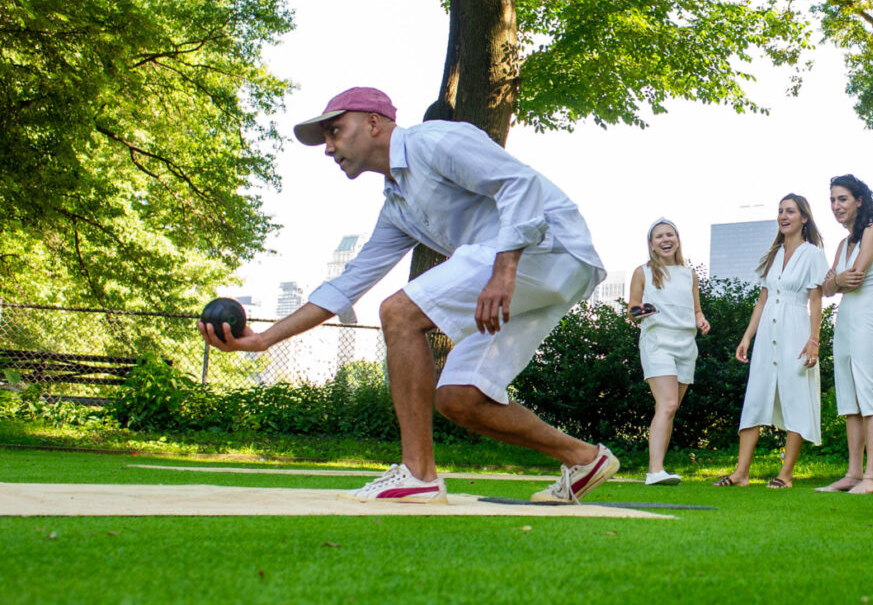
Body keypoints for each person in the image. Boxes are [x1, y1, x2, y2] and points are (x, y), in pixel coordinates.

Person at [199, 87, 618, 504]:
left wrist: (504, 270)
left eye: (335, 131)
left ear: (374, 123)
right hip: (538, 270)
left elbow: (519, 184)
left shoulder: (433, 140)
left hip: (549, 248)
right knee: (459, 400)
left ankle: (418, 474)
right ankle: (584, 458)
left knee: (398, 312)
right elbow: (346, 285)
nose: (328, 147)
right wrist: (261, 340)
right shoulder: (398, 206)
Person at [714, 194, 827, 489]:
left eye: (790, 211)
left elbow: (816, 301)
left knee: (796, 397)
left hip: (796, 331)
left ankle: (785, 475)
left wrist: (814, 339)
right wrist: (747, 337)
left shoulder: (813, 254)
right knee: (755, 397)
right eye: (780, 211)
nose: (783, 216)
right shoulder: (773, 256)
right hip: (767, 334)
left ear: (804, 218)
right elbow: (762, 301)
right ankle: (741, 473)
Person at [816, 175, 873, 496]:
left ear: (859, 201)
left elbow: (854, 279)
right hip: (844, 323)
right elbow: (826, 288)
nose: (836, 206)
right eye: (832, 200)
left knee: (868, 399)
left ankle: (872, 478)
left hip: (868, 321)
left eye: (842, 199)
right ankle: (853, 473)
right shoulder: (843, 244)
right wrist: (835, 281)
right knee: (849, 402)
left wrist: (837, 280)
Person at [629, 218, 710, 486]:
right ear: (651, 244)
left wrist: (701, 320)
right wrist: (643, 311)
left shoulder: (689, 275)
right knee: (668, 404)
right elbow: (632, 310)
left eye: (670, 235)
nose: (666, 239)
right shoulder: (642, 272)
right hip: (657, 344)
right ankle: (654, 471)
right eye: (659, 236)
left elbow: (696, 309)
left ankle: (658, 469)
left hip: (686, 346)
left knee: (669, 409)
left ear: (677, 239)